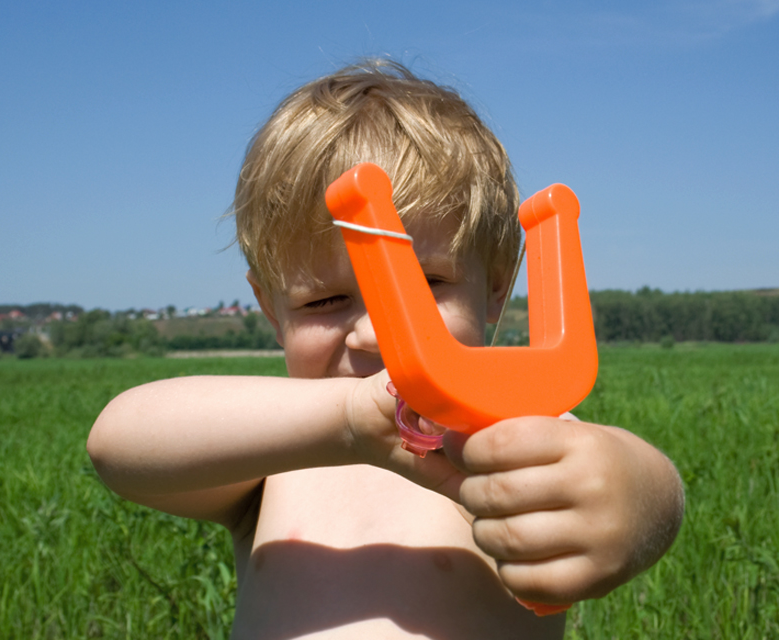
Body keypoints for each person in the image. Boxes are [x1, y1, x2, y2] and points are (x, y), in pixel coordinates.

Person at [87, 60, 684, 639]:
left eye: (427, 286)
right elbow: (119, 444)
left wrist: (630, 496)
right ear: (272, 312)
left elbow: (644, 488)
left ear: (495, 292)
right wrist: (348, 421)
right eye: (324, 302)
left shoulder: (511, 445)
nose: (374, 334)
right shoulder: (273, 462)